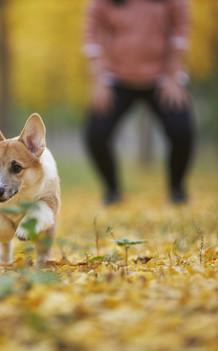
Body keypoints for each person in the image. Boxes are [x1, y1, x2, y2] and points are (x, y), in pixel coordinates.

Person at [83, 0, 194, 205]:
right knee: (96, 134)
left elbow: (180, 31)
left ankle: (177, 190)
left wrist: (172, 75)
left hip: (162, 77)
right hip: (116, 76)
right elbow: (92, 35)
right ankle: (112, 192)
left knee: (182, 130)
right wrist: (99, 79)